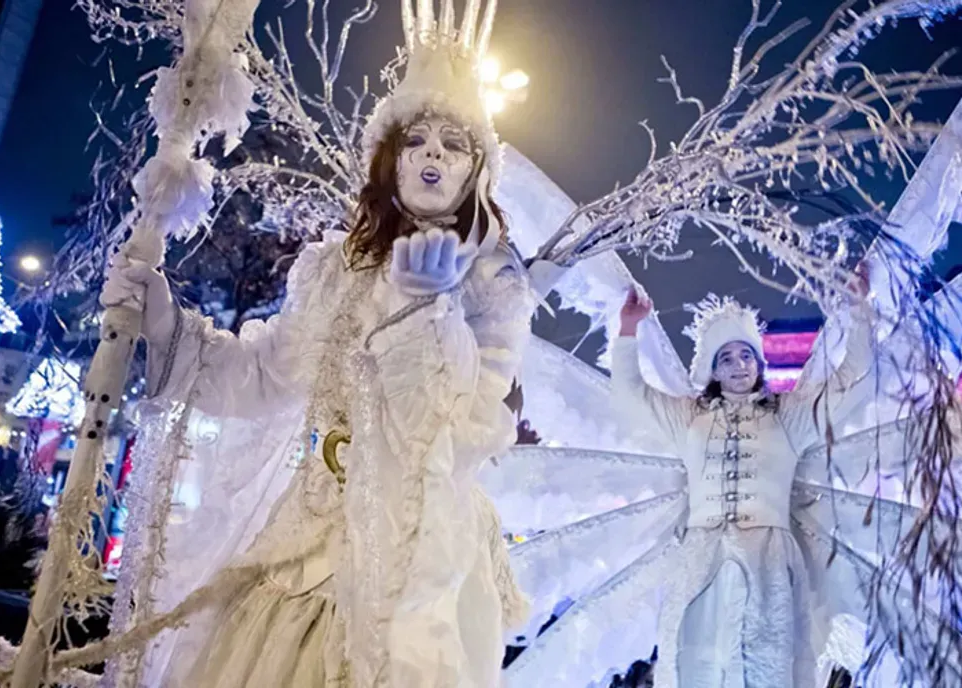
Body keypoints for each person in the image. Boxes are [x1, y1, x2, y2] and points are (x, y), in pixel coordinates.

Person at [98, 4, 546, 686]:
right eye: (417, 140)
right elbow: (264, 377)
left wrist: (425, 313)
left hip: (413, 546)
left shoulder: (493, 286)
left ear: (475, 169)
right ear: (389, 161)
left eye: (453, 145)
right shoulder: (335, 267)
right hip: (306, 532)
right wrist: (167, 326)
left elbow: (466, 427)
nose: (432, 155)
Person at [610, 285, 871, 688]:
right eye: (726, 358)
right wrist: (629, 329)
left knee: (765, 666)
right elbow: (630, 395)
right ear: (713, 370)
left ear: (759, 363)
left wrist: (859, 310)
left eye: (747, 354)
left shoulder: (790, 417)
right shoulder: (688, 418)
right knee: (694, 664)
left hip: (768, 563)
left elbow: (850, 378)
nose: (738, 365)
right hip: (700, 561)